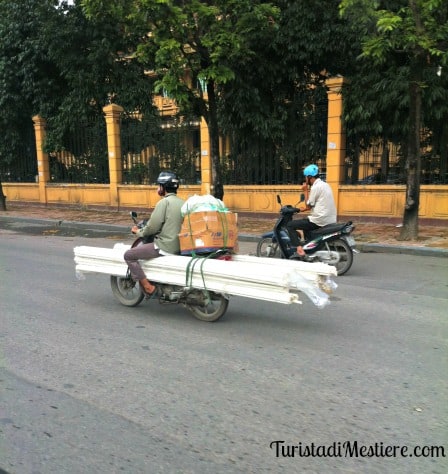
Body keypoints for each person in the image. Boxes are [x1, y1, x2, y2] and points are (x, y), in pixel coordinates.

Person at [124, 171, 185, 296]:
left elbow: (152, 227)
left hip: (166, 246)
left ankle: (148, 287)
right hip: (181, 246)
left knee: (129, 255)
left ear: (163, 187)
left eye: (159, 186)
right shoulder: (183, 203)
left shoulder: (164, 203)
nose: (158, 188)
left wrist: (138, 232)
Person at [286, 164, 337, 256]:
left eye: (306, 177)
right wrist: (303, 209)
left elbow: (309, 205)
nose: (305, 179)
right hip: (330, 218)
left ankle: (299, 248)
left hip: (320, 220)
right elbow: (313, 204)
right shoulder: (325, 185)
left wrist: (305, 190)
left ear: (309, 177)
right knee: (306, 223)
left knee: (290, 225)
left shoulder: (315, 187)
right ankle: (310, 249)